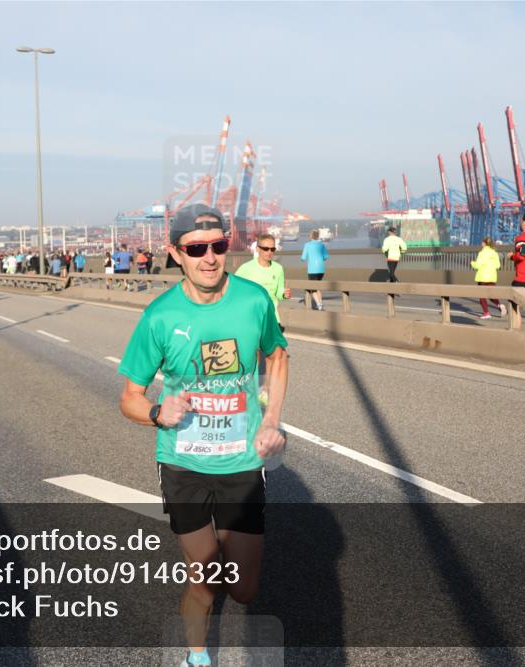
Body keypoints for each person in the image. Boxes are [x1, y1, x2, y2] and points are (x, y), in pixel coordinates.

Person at [118, 203, 288, 667]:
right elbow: (129, 397)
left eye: (218, 246)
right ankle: (196, 657)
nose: (209, 257)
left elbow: (276, 355)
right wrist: (157, 411)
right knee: (205, 572)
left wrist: (270, 419)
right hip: (183, 464)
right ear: (176, 253)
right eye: (196, 249)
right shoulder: (159, 316)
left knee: (245, 589)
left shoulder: (254, 301)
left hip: (241, 465)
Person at [235, 233, 291, 331]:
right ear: (257, 249)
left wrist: (284, 294)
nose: (269, 252)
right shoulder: (246, 268)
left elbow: (278, 292)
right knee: (255, 346)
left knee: (275, 346)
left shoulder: (278, 268)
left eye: (272, 249)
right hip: (252, 319)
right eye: (265, 249)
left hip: (272, 317)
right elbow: (233, 288)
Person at [470, 237, 506, 319]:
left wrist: (472, 263)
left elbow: (478, 265)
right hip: (492, 277)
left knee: (482, 296)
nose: (481, 244)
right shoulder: (494, 253)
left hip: (482, 277)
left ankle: (486, 313)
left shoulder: (482, 253)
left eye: (482, 242)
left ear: (484, 243)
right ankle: (499, 305)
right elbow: (498, 265)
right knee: (491, 295)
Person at [300, 229, 328, 311]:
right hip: (321, 269)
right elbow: (326, 257)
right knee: (318, 287)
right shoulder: (321, 245)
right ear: (318, 236)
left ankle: (319, 304)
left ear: (311, 236)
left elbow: (303, 258)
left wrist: (305, 258)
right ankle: (321, 303)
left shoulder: (307, 245)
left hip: (312, 270)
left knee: (313, 288)